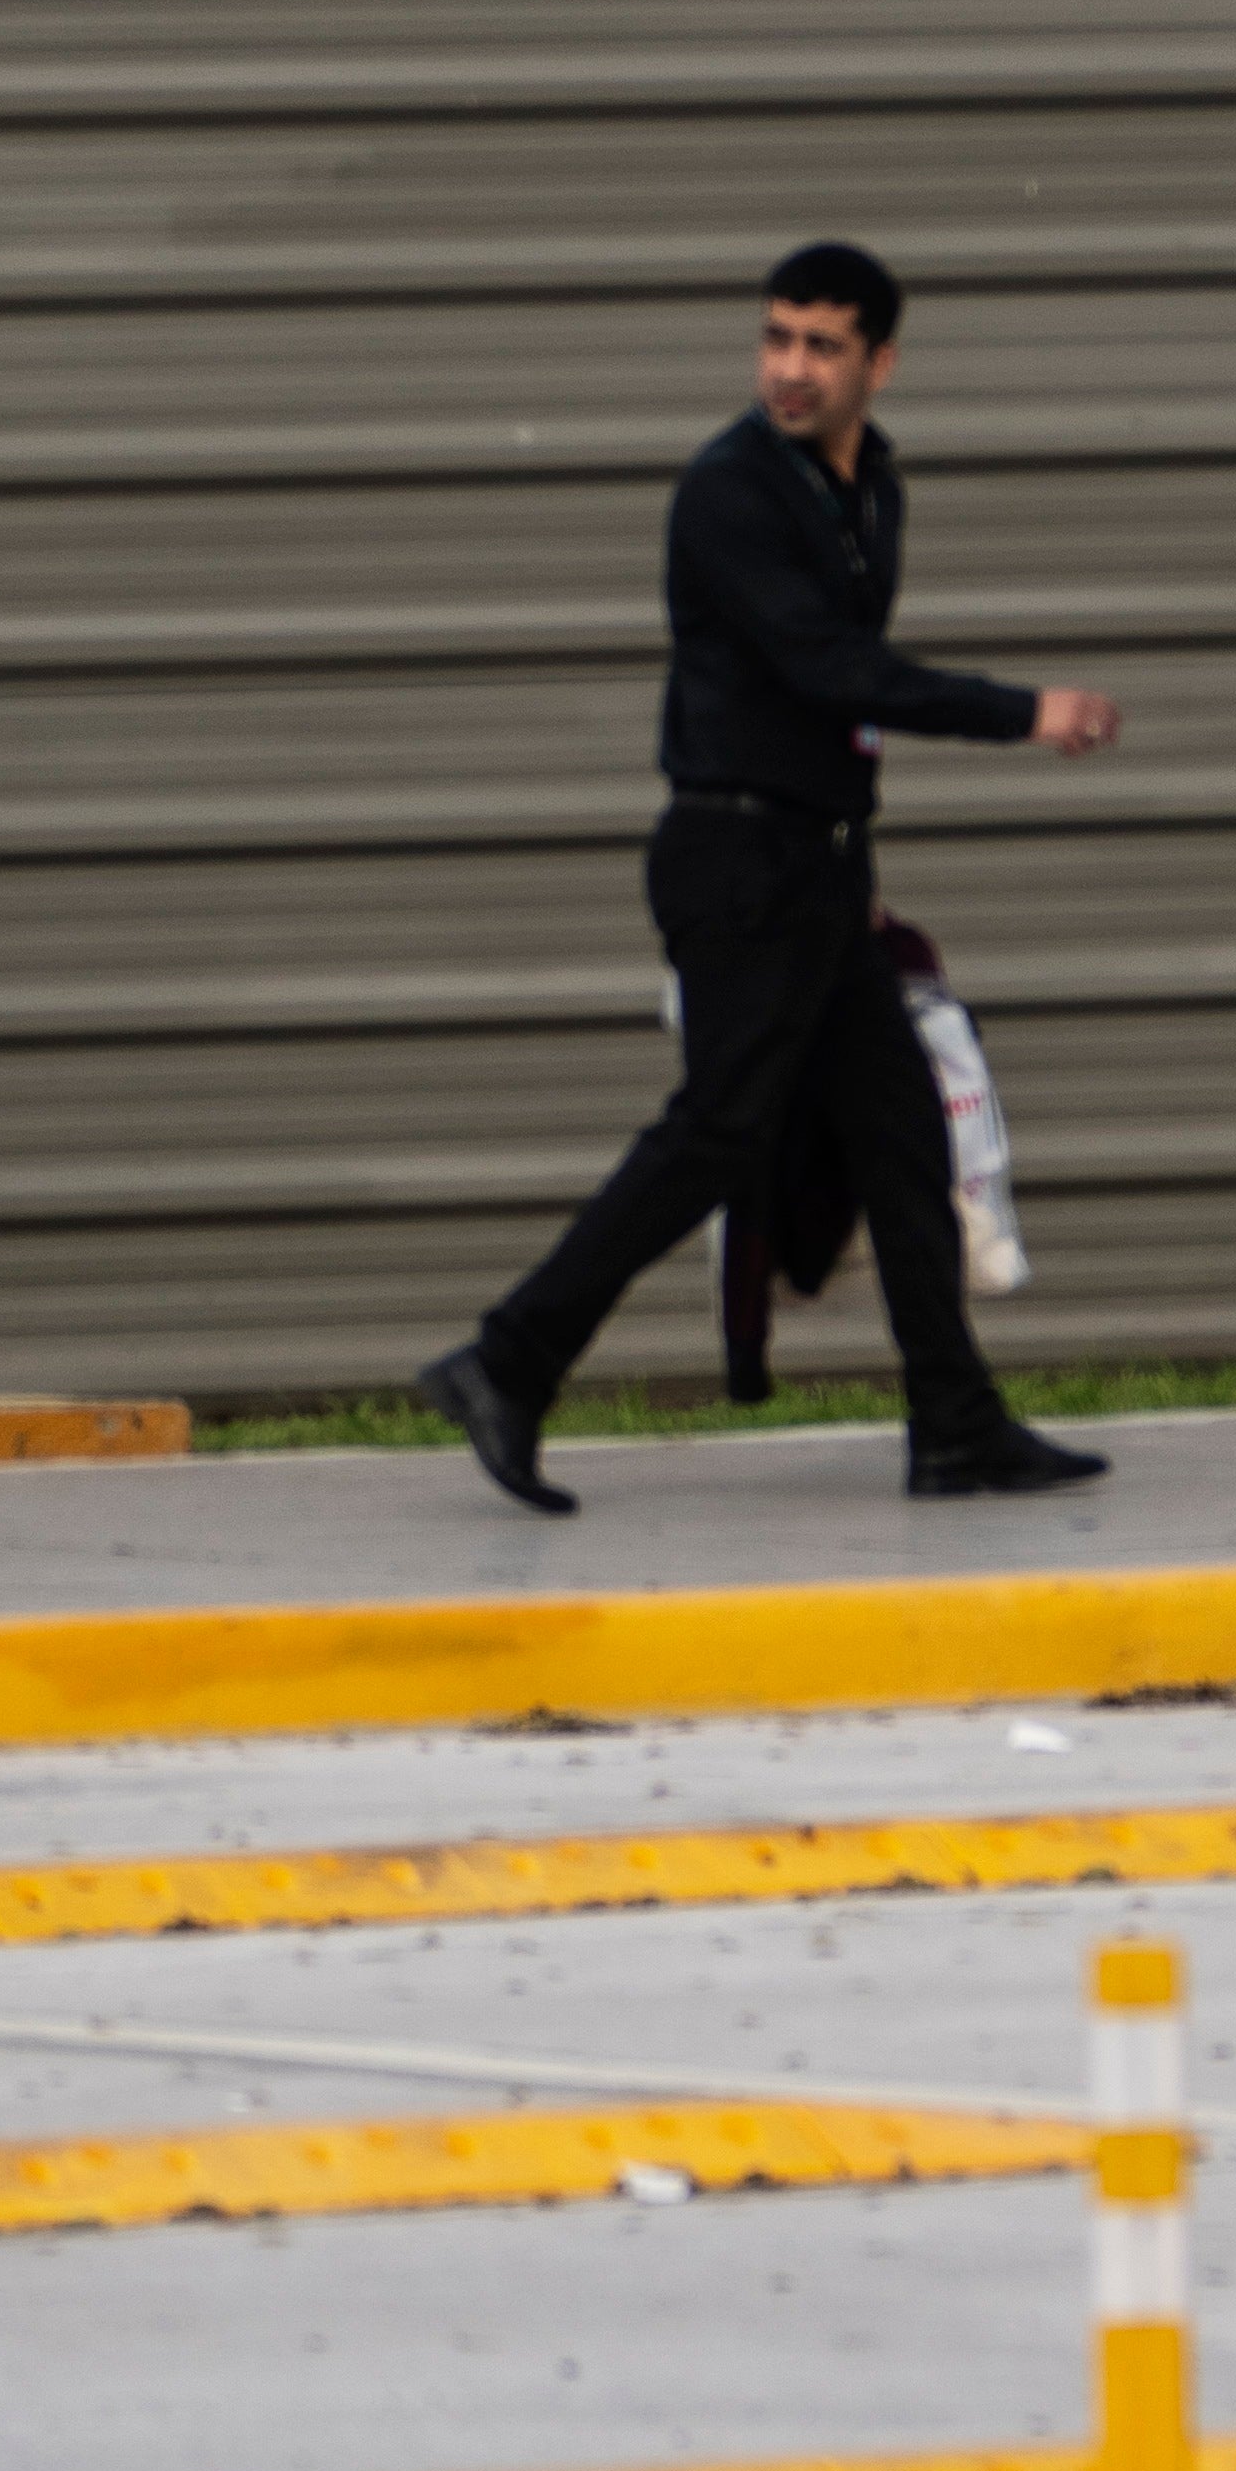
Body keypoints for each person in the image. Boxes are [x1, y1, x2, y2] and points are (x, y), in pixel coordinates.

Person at [420, 241, 1115, 1516]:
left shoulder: (870, 490)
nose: (790, 369)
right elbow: (831, 674)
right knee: (721, 1130)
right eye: (776, 338)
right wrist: (1027, 713)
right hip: (733, 858)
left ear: (880, 363)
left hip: (813, 868)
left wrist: (859, 873)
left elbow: (834, 716)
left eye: (822, 346)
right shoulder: (730, 492)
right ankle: (508, 1361)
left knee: (904, 1135)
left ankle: (954, 1424)